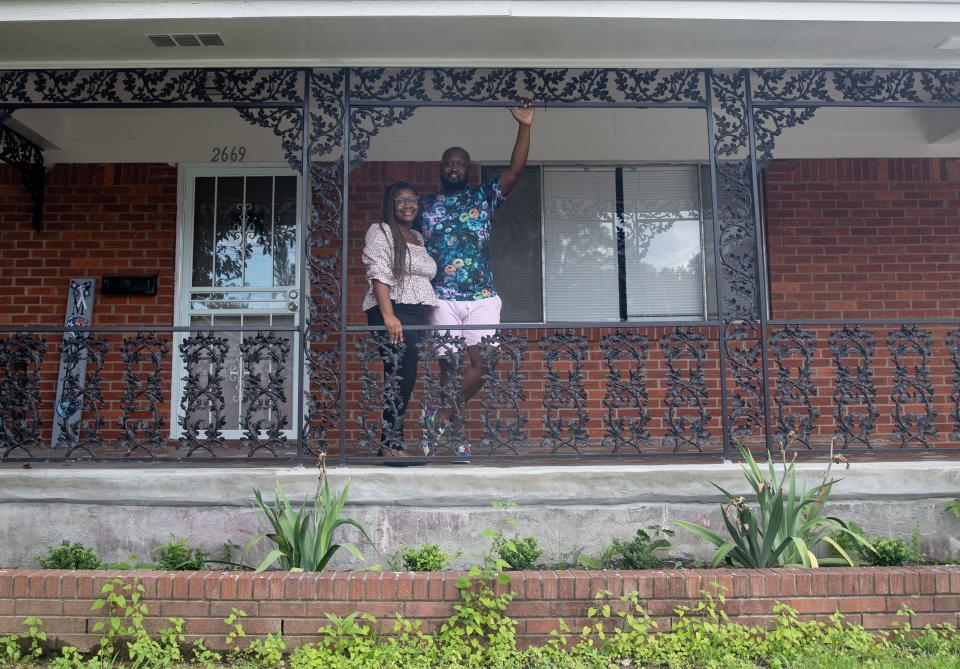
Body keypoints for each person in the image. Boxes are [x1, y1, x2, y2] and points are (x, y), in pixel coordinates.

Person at [419, 101, 535, 457]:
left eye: (460, 163)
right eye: (449, 162)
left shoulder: (483, 196)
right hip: (442, 297)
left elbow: (515, 170)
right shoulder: (425, 204)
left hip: (482, 294)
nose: (454, 167)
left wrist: (525, 126)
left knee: (484, 364)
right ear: (442, 168)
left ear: (467, 168)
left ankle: (436, 420)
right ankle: (455, 439)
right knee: (450, 370)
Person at [361, 181, 438, 462]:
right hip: (393, 308)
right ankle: (390, 443)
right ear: (390, 204)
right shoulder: (380, 231)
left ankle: (389, 442)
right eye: (400, 200)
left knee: (405, 375)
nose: (408, 205)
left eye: (412, 200)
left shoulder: (417, 235)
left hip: (415, 312)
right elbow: (379, 273)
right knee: (400, 374)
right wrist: (388, 315)